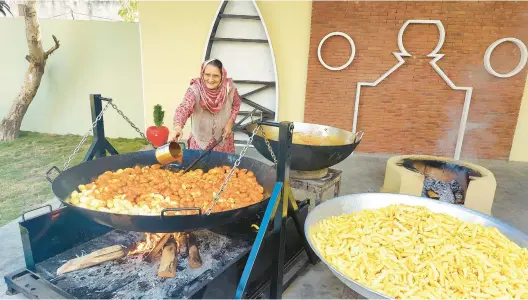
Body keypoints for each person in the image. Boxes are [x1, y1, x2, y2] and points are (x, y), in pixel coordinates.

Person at [169, 59, 242, 154]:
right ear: (202, 74)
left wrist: (229, 123)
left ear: (222, 76)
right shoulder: (195, 89)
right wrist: (178, 127)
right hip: (200, 143)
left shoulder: (230, 88)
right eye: (207, 75)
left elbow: (236, 105)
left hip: (223, 141)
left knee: (223, 168)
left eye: (215, 76)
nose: (210, 79)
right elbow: (184, 108)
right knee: (198, 168)